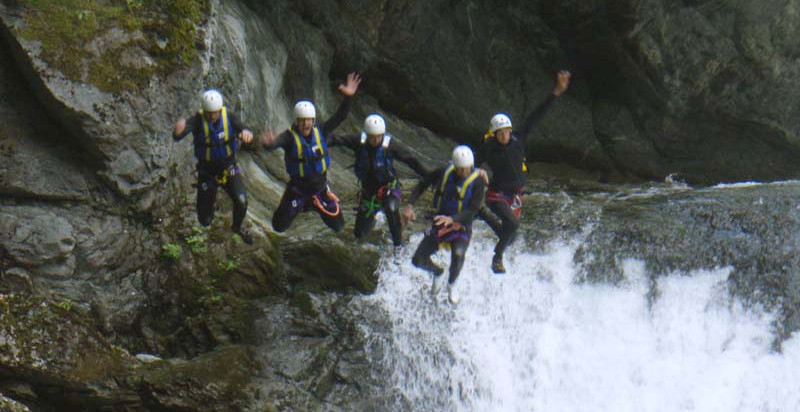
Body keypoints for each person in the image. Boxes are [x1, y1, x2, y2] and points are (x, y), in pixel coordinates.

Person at [477, 70, 571, 273]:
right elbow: (472, 163)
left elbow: (537, 115)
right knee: (512, 224)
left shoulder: (518, 138)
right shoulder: (489, 147)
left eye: (506, 131)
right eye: (500, 132)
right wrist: (479, 171)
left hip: (515, 194)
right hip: (497, 195)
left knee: (510, 236)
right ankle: (497, 258)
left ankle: (482, 215)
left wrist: (556, 92)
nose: (504, 135)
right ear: (494, 134)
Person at [261, 72, 361, 233]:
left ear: (313, 121)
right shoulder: (289, 137)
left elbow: (340, 116)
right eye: (301, 120)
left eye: (308, 120)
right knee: (278, 226)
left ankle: (316, 205)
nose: (305, 124)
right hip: (297, 191)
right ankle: (301, 206)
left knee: (339, 226)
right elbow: (275, 143)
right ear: (296, 121)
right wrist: (269, 143)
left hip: (320, 190)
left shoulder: (321, 131)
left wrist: (348, 97)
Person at [402, 145, 487, 305]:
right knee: (418, 260)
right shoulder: (443, 172)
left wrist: (453, 219)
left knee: (458, 254)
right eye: (460, 169)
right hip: (439, 222)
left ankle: (452, 283)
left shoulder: (477, 181)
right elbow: (423, 184)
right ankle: (438, 272)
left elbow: (473, 209)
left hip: (461, 225)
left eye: (466, 169)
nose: (463, 172)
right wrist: (410, 205)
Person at [328, 113, 429, 246]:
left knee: (390, 207)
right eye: (372, 137)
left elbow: (411, 160)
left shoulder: (390, 146)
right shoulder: (359, 141)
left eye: (378, 136)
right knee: (359, 233)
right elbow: (337, 140)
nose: (375, 140)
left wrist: (428, 176)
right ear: (367, 134)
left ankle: (398, 245)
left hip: (389, 188)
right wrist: (321, 140)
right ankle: (376, 217)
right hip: (369, 193)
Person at [173, 89, 255, 244]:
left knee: (242, 201)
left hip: (228, 168)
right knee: (204, 220)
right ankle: (211, 207)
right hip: (207, 172)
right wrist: (178, 132)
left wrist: (247, 134)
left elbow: (245, 131)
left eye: (215, 113)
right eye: (209, 113)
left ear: (220, 110)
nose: (212, 116)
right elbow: (180, 135)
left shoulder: (229, 117)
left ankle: (237, 227)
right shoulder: (198, 120)